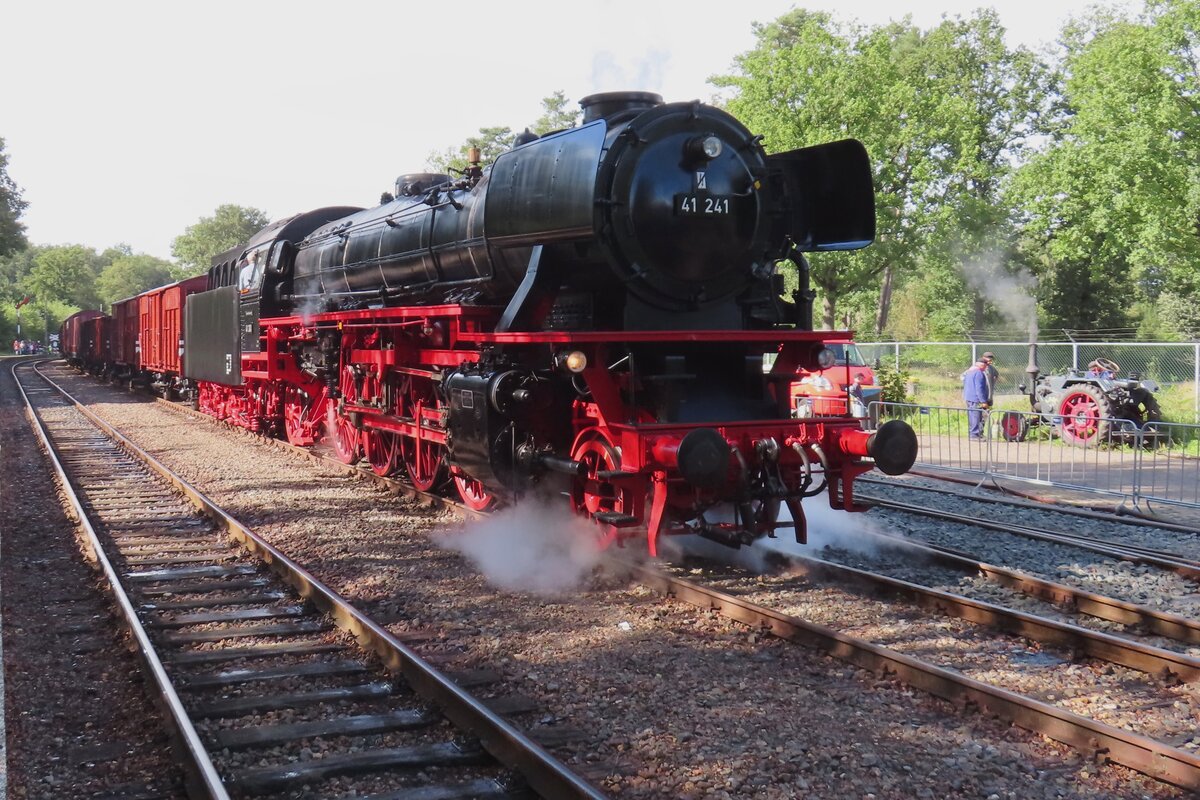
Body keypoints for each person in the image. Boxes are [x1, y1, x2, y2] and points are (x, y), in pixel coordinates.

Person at [963, 359, 989, 439]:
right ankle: (975, 435)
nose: (986, 367)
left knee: (971, 417)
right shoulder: (979, 373)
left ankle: (972, 434)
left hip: (968, 397)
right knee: (976, 417)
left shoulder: (969, 372)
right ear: (982, 365)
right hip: (975, 399)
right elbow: (979, 388)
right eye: (985, 365)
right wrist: (983, 401)